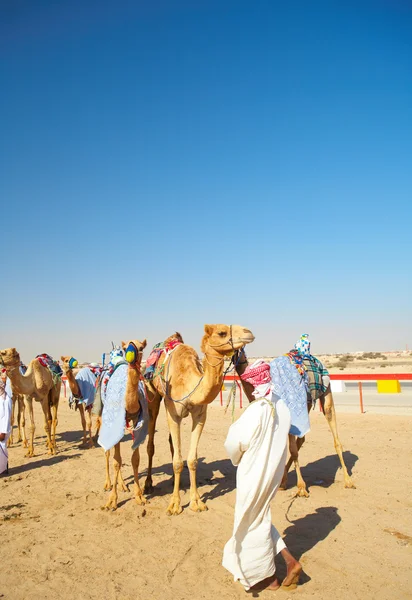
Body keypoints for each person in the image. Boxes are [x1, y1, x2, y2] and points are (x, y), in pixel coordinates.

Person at [222, 359, 302, 591]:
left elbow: (235, 442)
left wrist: (236, 457)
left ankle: (268, 578)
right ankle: (289, 561)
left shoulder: (256, 411)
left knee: (250, 522)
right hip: (273, 475)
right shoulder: (282, 405)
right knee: (259, 517)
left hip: (253, 475)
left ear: (252, 383)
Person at [0, 369, 13, 476]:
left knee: (2, 447)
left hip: (3, 429)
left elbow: (7, 416)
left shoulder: (6, 399)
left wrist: (3, 432)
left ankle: (3, 469)